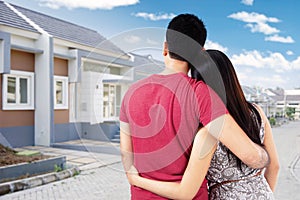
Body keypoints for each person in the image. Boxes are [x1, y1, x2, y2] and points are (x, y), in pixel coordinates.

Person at [120, 13, 269, 200]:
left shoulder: (131, 93)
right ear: (200, 53)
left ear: (165, 48)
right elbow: (250, 156)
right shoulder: (201, 94)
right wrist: (265, 156)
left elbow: (126, 153)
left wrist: (134, 178)